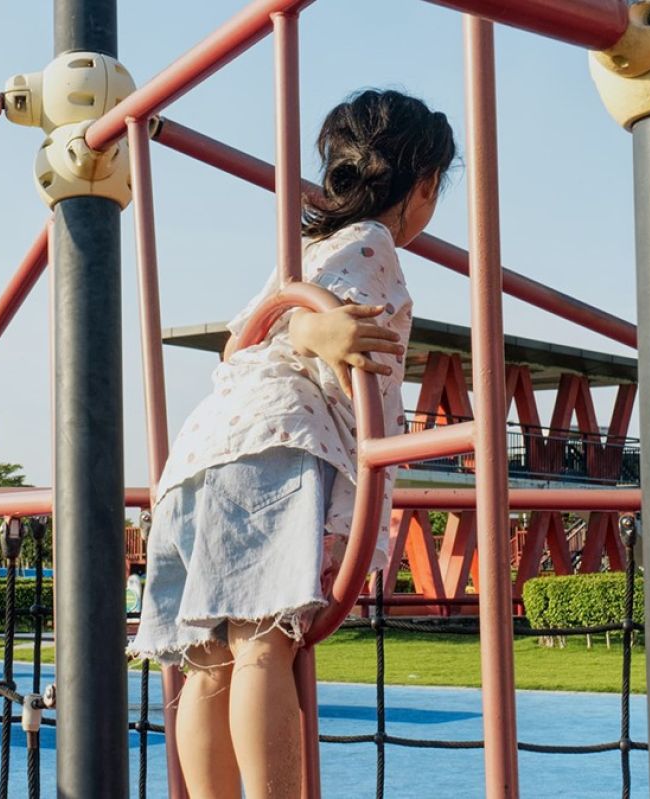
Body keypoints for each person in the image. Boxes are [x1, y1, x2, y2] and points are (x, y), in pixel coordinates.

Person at [128, 89, 455, 799]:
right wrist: (317, 329)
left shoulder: (297, 252)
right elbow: (316, 320)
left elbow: (245, 332)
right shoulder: (373, 245)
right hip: (272, 445)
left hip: (203, 448)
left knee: (209, 657)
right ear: (425, 185)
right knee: (261, 648)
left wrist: (303, 321)